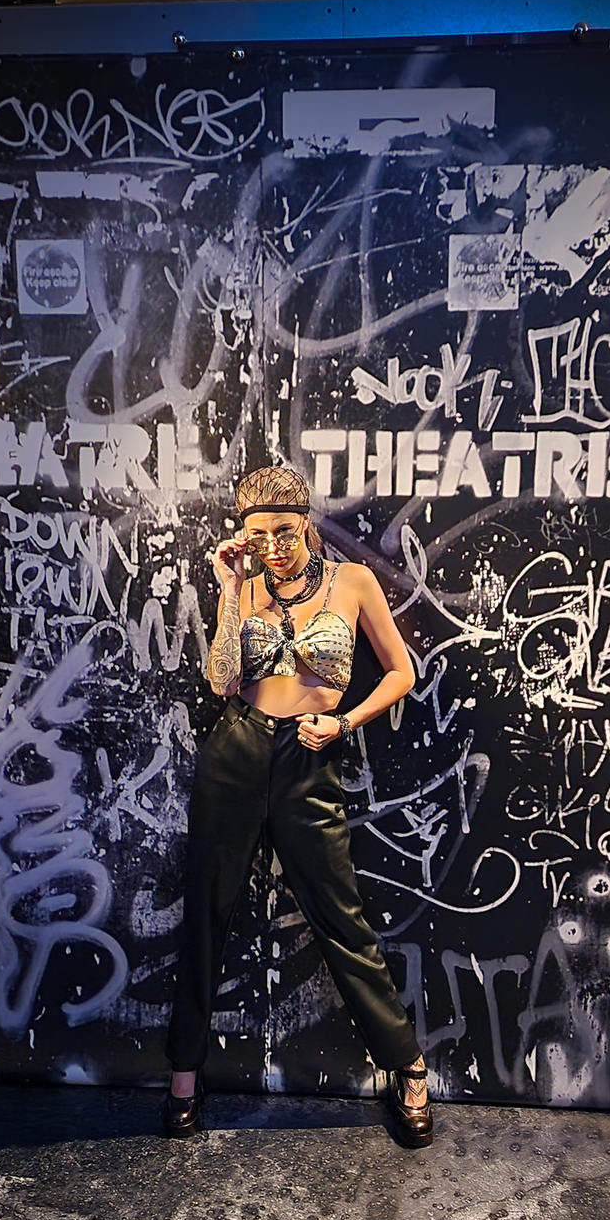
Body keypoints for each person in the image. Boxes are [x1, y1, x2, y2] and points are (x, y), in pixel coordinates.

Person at [165, 465, 432, 1146]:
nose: (274, 547)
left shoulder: (353, 582)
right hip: (237, 753)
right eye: (258, 536)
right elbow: (222, 682)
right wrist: (230, 591)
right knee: (206, 915)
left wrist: (343, 724)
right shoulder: (246, 586)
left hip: (310, 761)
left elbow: (401, 672)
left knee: (341, 919)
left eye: (285, 531)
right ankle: (183, 1079)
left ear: (307, 523)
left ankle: (410, 1069)